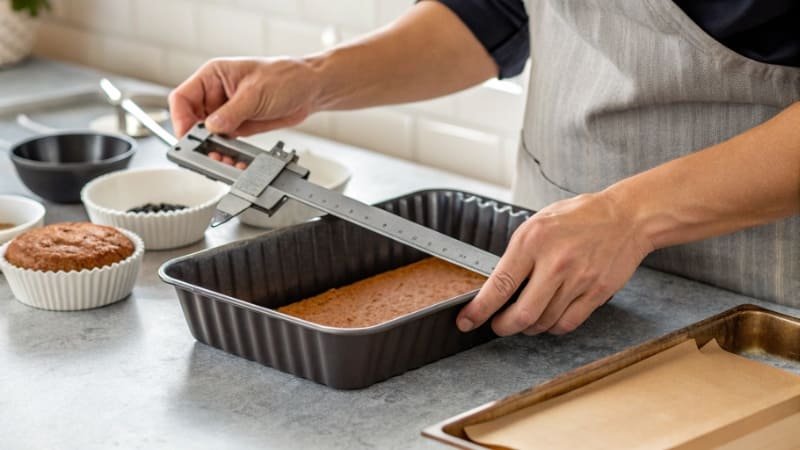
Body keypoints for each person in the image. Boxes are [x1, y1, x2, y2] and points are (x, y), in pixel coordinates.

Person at [169, 0, 800, 337]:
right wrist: (315, 80)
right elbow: (491, 11)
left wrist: (628, 215)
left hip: (759, 290)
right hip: (542, 268)